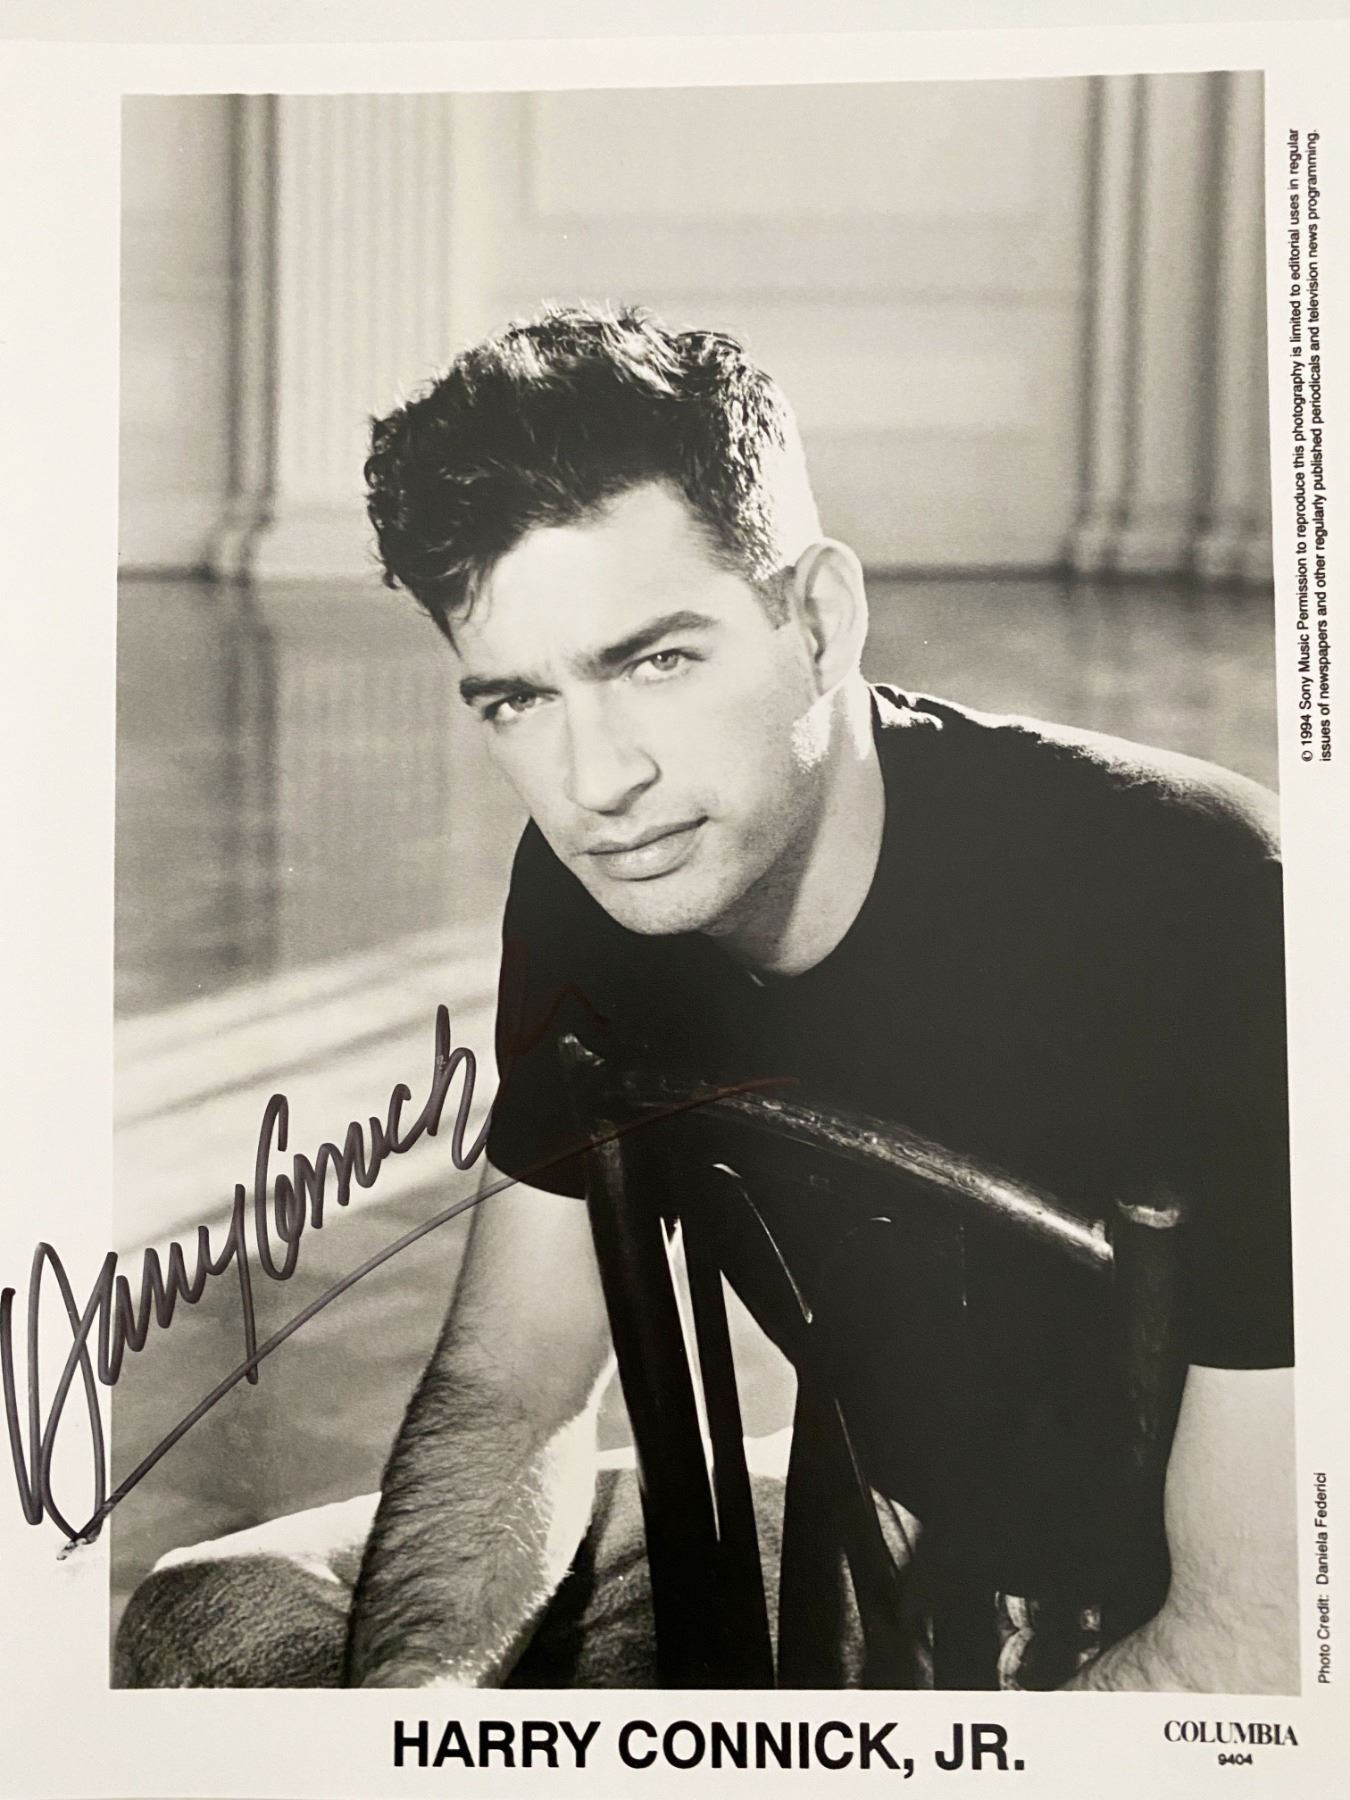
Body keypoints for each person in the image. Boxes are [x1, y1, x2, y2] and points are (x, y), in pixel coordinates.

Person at [116, 305, 1297, 1693]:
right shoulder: (606, 872)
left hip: (1186, 1609)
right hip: (890, 1525)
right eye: (517, 701)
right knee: (208, 1622)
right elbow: (513, 1380)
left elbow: (1258, 1643)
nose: (595, 781)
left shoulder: (1213, 901)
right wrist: (417, 1725)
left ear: (820, 619)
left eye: (655, 661)